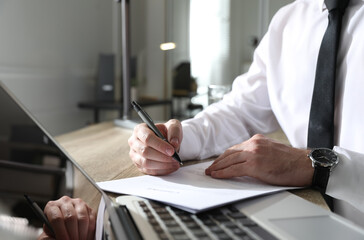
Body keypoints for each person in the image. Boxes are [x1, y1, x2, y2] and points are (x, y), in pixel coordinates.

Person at [128, 0, 364, 228]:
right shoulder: (288, 21)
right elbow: (241, 111)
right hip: (297, 219)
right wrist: (177, 139)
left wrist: (318, 168)